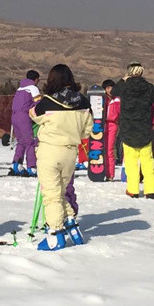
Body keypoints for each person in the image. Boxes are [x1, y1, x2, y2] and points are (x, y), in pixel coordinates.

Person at [30, 64, 93, 251]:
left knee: (51, 195)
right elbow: (87, 131)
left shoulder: (47, 102)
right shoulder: (83, 102)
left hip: (49, 151)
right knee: (60, 192)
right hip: (70, 153)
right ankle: (71, 223)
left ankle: (56, 235)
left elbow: (33, 114)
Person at [111, 62, 154, 199]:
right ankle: (150, 190)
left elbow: (113, 92)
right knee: (148, 161)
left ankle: (133, 189)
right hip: (144, 128)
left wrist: (123, 79)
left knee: (131, 162)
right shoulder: (149, 87)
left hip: (128, 128)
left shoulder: (124, 86)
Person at [10, 70, 41, 176]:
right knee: (30, 142)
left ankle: (16, 164)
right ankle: (31, 167)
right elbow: (38, 103)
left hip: (14, 115)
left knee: (21, 141)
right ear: (36, 79)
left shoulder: (20, 88)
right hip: (24, 116)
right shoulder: (33, 88)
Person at [102, 79, 120, 181]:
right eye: (107, 88)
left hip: (112, 124)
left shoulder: (117, 99)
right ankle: (100, 171)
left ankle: (110, 174)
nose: (109, 90)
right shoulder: (102, 99)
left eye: (111, 88)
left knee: (109, 149)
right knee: (100, 149)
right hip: (101, 124)